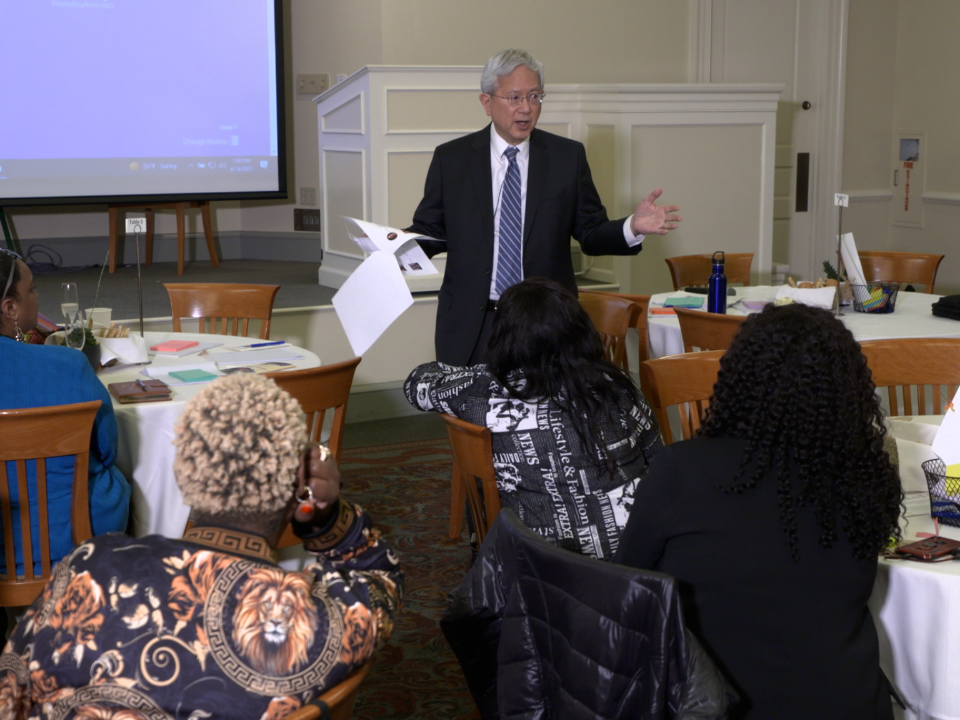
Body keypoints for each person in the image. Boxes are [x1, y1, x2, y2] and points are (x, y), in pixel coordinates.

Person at [0, 373, 402, 720]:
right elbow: (380, 577)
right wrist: (325, 516)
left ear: (183, 472)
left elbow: (11, 689)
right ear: (297, 487)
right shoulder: (312, 623)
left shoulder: (88, 566)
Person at [616, 303, 902, 719]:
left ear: (737, 380)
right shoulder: (865, 477)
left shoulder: (681, 470)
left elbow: (627, 589)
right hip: (847, 704)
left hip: (720, 705)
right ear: (846, 390)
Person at [408, 48, 681, 366]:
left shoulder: (566, 158)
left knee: (550, 415)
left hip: (547, 324)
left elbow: (591, 232)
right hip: (473, 323)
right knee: (470, 416)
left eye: (535, 97)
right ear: (487, 102)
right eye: (515, 98)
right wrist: (394, 250)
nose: (526, 109)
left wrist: (632, 226)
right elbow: (431, 233)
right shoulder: (452, 159)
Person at [405, 277, 663, 561]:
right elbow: (658, 460)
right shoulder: (616, 384)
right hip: (638, 555)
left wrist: (472, 371)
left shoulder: (482, 388)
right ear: (579, 330)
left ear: (504, 334)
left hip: (537, 565)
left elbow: (416, 383)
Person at [0, 249, 130, 576]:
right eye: (31, 289)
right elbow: (108, 449)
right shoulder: (69, 366)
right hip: (75, 539)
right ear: (10, 308)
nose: (36, 296)